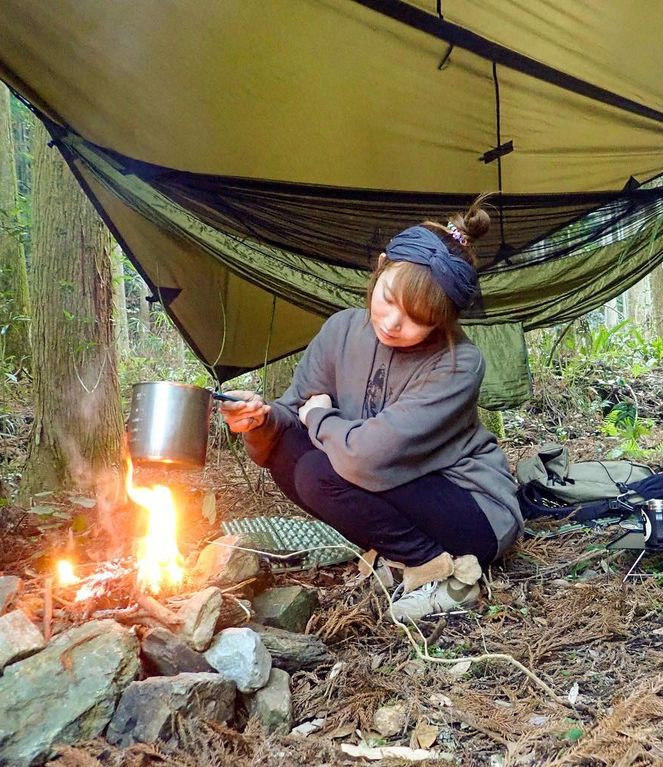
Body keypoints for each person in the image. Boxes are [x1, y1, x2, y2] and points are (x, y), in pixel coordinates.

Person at [219, 198, 523, 620]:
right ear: (380, 268)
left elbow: (369, 456)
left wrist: (319, 417)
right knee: (286, 448)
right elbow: (292, 414)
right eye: (390, 299)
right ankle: (399, 550)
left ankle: (442, 574)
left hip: (470, 509)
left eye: (418, 318)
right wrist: (260, 420)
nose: (395, 322)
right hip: (391, 482)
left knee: (318, 471)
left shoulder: (459, 363)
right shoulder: (342, 329)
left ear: (444, 321)